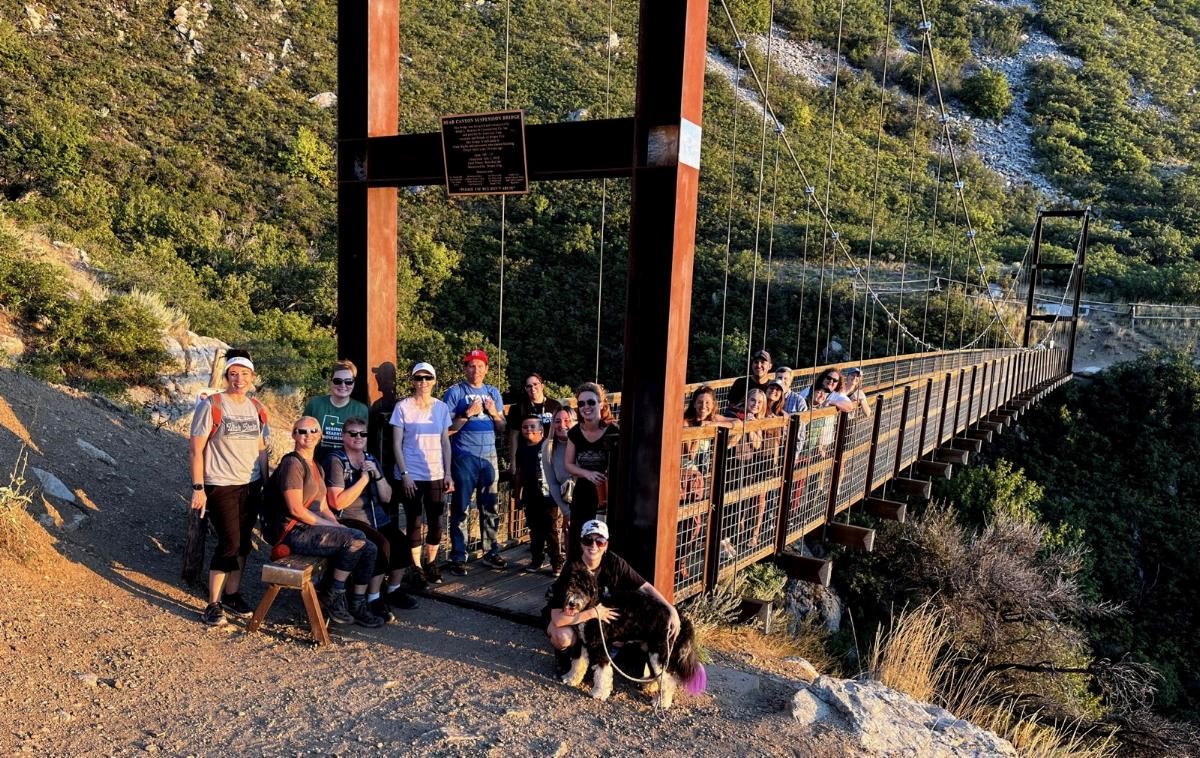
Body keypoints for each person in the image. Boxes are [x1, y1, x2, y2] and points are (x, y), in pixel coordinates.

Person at [273, 417, 383, 627]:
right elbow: (296, 509)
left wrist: (338, 525)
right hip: (295, 530)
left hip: (314, 528)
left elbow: (323, 507)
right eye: (302, 431)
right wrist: (333, 527)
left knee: (369, 547)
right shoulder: (292, 464)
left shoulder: (316, 466)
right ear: (294, 434)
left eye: (314, 431)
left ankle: (357, 602)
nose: (308, 435)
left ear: (320, 435)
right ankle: (333, 592)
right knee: (355, 539)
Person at [189, 352, 270, 627]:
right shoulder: (212, 405)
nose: (239, 379)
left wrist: (266, 480)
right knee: (229, 542)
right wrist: (198, 487)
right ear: (226, 376)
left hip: (251, 483)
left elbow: (261, 448)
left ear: (252, 377)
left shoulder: (256, 407)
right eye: (234, 374)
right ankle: (213, 603)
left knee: (244, 542)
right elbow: (196, 449)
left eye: (245, 374)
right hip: (220, 482)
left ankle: (233, 593)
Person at [544, 520, 681, 670]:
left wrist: (670, 608)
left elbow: (645, 587)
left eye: (600, 541)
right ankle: (566, 659)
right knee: (563, 636)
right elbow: (557, 618)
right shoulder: (571, 571)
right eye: (588, 540)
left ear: (606, 545)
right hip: (573, 617)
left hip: (601, 620)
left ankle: (606, 655)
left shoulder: (615, 563)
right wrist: (593, 613)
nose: (594, 546)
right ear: (582, 543)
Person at [325, 416, 418, 622]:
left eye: (363, 434)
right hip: (351, 520)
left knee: (401, 543)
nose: (359, 437)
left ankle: (393, 589)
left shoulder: (370, 458)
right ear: (343, 436)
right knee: (380, 546)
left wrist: (377, 475)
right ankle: (372, 597)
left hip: (377, 517)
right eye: (353, 434)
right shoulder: (336, 460)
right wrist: (363, 480)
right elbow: (338, 502)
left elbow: (387, 497)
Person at [442, 349, 507, 575]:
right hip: (464, 457)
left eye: (480, 366)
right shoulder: (455, 392)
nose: (476, 370)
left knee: (490, 505)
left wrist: (494, 413)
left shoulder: (493, 392)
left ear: (486, 369)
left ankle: (491, 552)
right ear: (464, 368)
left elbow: (502, 427)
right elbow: (446, 430)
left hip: (489, 456)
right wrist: (467, 414)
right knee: (461, 508)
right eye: (471, 365)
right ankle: (459, 556)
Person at [391, 361, 454, 586]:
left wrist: (448, 472)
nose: (423, 382)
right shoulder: (403, 407)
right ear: (413, 381)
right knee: (414, 521)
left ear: (434, 381)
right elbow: (396, 443)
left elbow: (445, 442)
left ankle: (432, 563)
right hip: (411, 474)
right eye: (419, 378)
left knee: (437, 521)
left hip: (436, 472)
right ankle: (415, 566)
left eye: (428, 378)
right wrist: (404, 473)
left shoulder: (441, 408)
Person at [564, 382, 620, 556]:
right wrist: (587, 473)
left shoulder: (613, 431)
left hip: (609, 490)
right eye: (581, 403)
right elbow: (568, 464)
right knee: (580, 533)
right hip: (584, 489)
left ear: (601, 404)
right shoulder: (574, 433)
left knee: (607, 534)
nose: (586, 407)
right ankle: (576, 573)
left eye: (591, 402)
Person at [514, 415, 564, 575]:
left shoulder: (549, 447)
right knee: (534, 530)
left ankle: (556, 562)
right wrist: (517, 494)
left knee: (551, 529)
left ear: (541, 430)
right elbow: (519, 473)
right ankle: (537, 559)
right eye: (525, 427)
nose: (528, 429)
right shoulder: (521, 449)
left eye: (532, 426)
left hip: (549, 496)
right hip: (530, 496)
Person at [303, 359, 370, 462]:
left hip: (347, 467)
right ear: (330, 381)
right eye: (337, 381)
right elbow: (301, 437)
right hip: (316, 465)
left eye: (348, 382)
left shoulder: (361, 410)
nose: (343, 385)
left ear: (353, 383)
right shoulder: (315, 404)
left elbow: (362, 444)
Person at [505, 373, 562, 475]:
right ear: (525, 389)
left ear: (542, 386)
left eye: (536, 384)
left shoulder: (555, 406)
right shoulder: (518, 408)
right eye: (529, 386)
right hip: (527, 456)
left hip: (551, 456)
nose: (533, 388)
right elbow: (513, 437)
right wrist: (513, 463)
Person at [542, 406, 577, 555]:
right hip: (566, 497)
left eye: (567, 421)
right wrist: (566, 512)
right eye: (557, 421)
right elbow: (552, 482)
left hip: (587, 496)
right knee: (569, 533)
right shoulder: (548, 447)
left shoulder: (581, 443)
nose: (562, 425)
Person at [726, 349, 773, 414]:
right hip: (742, 420)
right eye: (756, 362)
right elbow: (731, 408)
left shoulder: (773, 387)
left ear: (770, 366)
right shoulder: (740, 383)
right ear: (752, 365)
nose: (759, 366)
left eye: (762, 362)